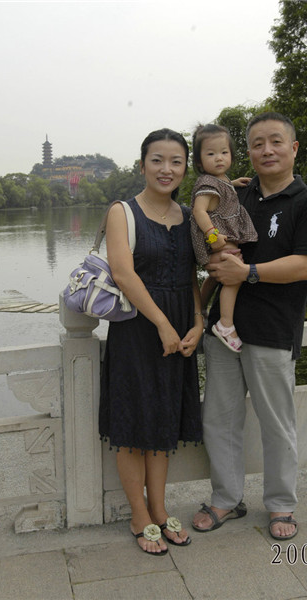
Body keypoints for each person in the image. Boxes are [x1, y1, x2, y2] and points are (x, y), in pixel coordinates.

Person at [192, 112, 307, 540]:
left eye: (275, 142)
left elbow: (304, 266)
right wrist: (199, 309)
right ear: (246, 154)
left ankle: (281, 506)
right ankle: (226, 499)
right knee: (219, 417)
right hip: (224, 330)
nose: (266, 150)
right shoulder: (237, 197)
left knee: (277, 423)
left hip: (273, 331)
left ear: (293, 149)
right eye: (256, 144)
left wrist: (246, 273)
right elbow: (213, 252)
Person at [99, 128, 204, 555]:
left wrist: (197, 321)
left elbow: (191, 279)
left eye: (176, 161)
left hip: (180, 329)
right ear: (142, 165)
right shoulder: (122, 212)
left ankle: (159, 510)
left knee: (163, 420)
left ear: (185, 169)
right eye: (157, 160)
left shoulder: (187, 215)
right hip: (138, 330)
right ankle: (138, 515)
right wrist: (162, 323)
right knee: (133, 426)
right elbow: (123, 273)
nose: (166, 169)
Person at [190, 124, 257, 352]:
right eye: (211, 154)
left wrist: (233, 183)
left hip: (221, 240)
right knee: (233, 277)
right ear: (199, 162)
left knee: (217, 276)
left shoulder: (219, 181)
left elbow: (222, 190)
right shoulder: (208, 185)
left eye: (224, 152)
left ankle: (198, 307)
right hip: (218, 241)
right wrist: (212, 235)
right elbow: (199, 211)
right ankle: (225, 324)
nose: (219, 158)